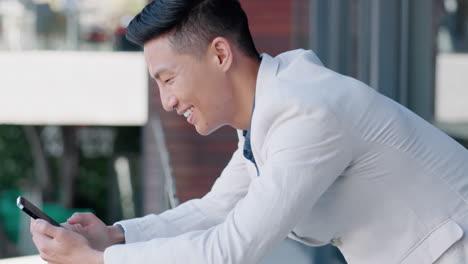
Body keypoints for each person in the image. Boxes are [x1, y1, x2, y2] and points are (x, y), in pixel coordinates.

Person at [30, 0, 468, 263]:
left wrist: (99, 259)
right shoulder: (271, 113)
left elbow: (230, 251)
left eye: (168, 79)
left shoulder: (305, 115)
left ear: (219, 53)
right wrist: (115, 235)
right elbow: (214, 210)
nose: (166, 101)